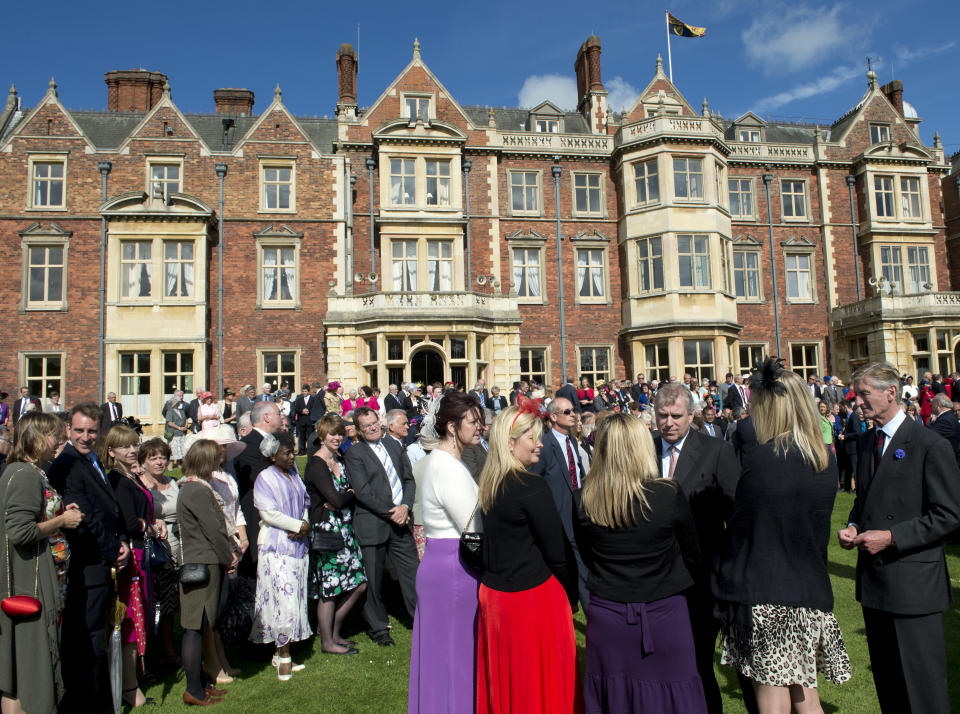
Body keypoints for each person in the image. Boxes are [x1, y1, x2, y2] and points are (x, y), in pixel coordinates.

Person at [713, 358, 851, 713]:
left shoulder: (764, 459)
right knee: (804, 693)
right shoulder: (823, 459)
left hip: (766, 589)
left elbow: (742, 526)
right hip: (809, 586)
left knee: (772, 695)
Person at [837, 362, 960, 713]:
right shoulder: (866, 442)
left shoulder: (929, 444)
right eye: (855, 393)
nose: (856, 400)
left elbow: (950, 515)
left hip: (913, 586)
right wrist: (854, 526)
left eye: (864, 393)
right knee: (889, 687)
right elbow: (864, 502)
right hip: (875, 584)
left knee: (922, 694)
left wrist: (891, 536)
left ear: (891, 393)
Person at [575, 413, 705, 714]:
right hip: (660, 612)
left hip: (617, 616)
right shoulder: (667, 494)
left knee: (618, 698)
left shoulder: (584, 499)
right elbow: (693, 556)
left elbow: (587, 555)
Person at [476, 401, 581, 714]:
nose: (539, 444)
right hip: (531, 599)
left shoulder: (489, 483)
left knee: (508, 680)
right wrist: (570, 593)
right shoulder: (531, 486)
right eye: (532, 438)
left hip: (494, 598)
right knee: (538, 682)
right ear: (510, 443)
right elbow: (557, 550)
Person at [652, 383, 741, 714]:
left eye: (677, 416)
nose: (669, 423)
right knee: (659, 665)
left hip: (700, 579)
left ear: (692, 415)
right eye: (663, 415)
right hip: (652, 579)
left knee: (698, 663)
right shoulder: (644, 450)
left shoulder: (715, 451)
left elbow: (735, 514)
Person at [48, 402, 130, 711]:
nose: (85, 437)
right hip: (85, 567)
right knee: (86, 647)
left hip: (101, 564)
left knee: (98, 643)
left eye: (92, 431)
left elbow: (109, 510)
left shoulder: (92, 459)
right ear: (68, 430)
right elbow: (83, 518)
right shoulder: (66, 464)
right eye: (79, 430)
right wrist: (113, 551)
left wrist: (121, 541)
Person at [0, 412, 83, 714]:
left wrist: (59, 511)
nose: (59, 441)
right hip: (28, 585)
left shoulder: (32, 471)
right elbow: (19, 531)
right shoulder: (23, 473)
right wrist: (62, 519)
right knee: (28, 667)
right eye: (53, 435)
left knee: (23, 671)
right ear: (35, 438)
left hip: (40, 580)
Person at [408, 393, 483, 714]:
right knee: (455, 659)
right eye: (473, 422)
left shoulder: (439, 462)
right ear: (452, 427)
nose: (480, 427)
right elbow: (476, 531)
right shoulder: (449, 469)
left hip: (444, 564)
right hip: (456, 567)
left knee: (443, 658)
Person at [344, 406, 418, 647]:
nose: (372, 428)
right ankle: (379, 628)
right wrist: (392, 512)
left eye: (374, 422)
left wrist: (405, 506)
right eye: (366, 426)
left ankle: (422, 619)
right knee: (373, 581)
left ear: (380, 421)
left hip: (401, 522)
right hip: (373, 525)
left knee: (413, 574)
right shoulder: (355, 454)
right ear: (358, 430)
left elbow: (408, 479)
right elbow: (363, 492)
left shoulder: (395, 446)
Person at [102, 425, 159, 709]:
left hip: (141, 551)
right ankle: (129, 687)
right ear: (111, 451)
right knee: (130, 620)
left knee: (139, 617)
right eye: (124, 446)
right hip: (132, 553)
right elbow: (126, 520)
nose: (132, 450)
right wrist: (148, 525)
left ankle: (134, 678)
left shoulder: (129, 477)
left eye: (134, 444)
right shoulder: (117, 479)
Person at [177, 439, 236, 706]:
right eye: (214, 459)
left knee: (200, 625)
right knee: (194, 627)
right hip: (202, 563)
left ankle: (199, 685)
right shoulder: (196, 490)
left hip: (204, 560)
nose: (218, 463)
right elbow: (213, 529)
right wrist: (227, 558)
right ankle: (194, 690)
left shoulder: (195, 487)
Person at [249, 432, 313, 680]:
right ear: (272, 455)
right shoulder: (265, 478)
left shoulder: (295, 474)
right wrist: (296, 526)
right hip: (276, 547)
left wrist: (304, 523)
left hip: (297, 547)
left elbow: (305, 501)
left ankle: (281, 652)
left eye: (293, 451)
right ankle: (283, 656)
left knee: (294, 599)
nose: (292, 456)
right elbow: (268, 513)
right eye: (287, 453)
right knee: (282, 602)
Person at [304, 415, 367, 656]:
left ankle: (332, 631)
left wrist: (345, 496)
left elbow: (342, 499)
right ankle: (327, 641)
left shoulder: (340, 458)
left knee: (359, 584)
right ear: (322, 435)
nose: (337, 437)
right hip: (327, 532)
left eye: (340, 433)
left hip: (345, 528)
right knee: (330, 589)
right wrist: (348, 494)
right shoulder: (316, 464)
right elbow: (337, 499)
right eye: (332, 434)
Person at [530, 396, 589, 609]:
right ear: (553, 417)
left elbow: (578, 474)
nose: (573, 414)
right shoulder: (544, 446)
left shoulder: (572, 441)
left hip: (578, 512)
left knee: (581, 564)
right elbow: (535, 482)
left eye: (573, 410)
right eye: (567, 412)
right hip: (558, 517)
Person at [138, 437, 182, 667]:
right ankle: (156, 651)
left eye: (162, 457)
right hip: (155, 550)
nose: (159, 462)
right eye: (153, 458)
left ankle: (170, 644)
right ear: (143, 462)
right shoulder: (140, 485)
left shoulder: (174, 482)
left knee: (172, 602)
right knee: (159, 600)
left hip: (179, 546)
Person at [233, 400, 282, 575]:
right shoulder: (248, 445)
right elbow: (262, 480)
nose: (281, 416)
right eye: (278, 413)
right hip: (257, 514)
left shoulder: (276, 440)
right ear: (267, 417)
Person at [927, 393, 960, 464]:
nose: (931, 407)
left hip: (947, 461)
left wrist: (929, 424)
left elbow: (929, 436)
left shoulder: (945, 420)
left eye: (931, 405)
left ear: (938, 405)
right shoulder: (950, 416)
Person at [164, 390, 189, 466]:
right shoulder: (170, 411)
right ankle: (170, 465)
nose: (179, 403)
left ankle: (179, 463)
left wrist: (185, 426)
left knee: (181, 448)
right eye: (178, 402)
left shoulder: (181, 411)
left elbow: (186, 418)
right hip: (174, 433)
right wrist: (179, 428)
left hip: (182, 433)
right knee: (173, 449)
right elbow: (169, 422)